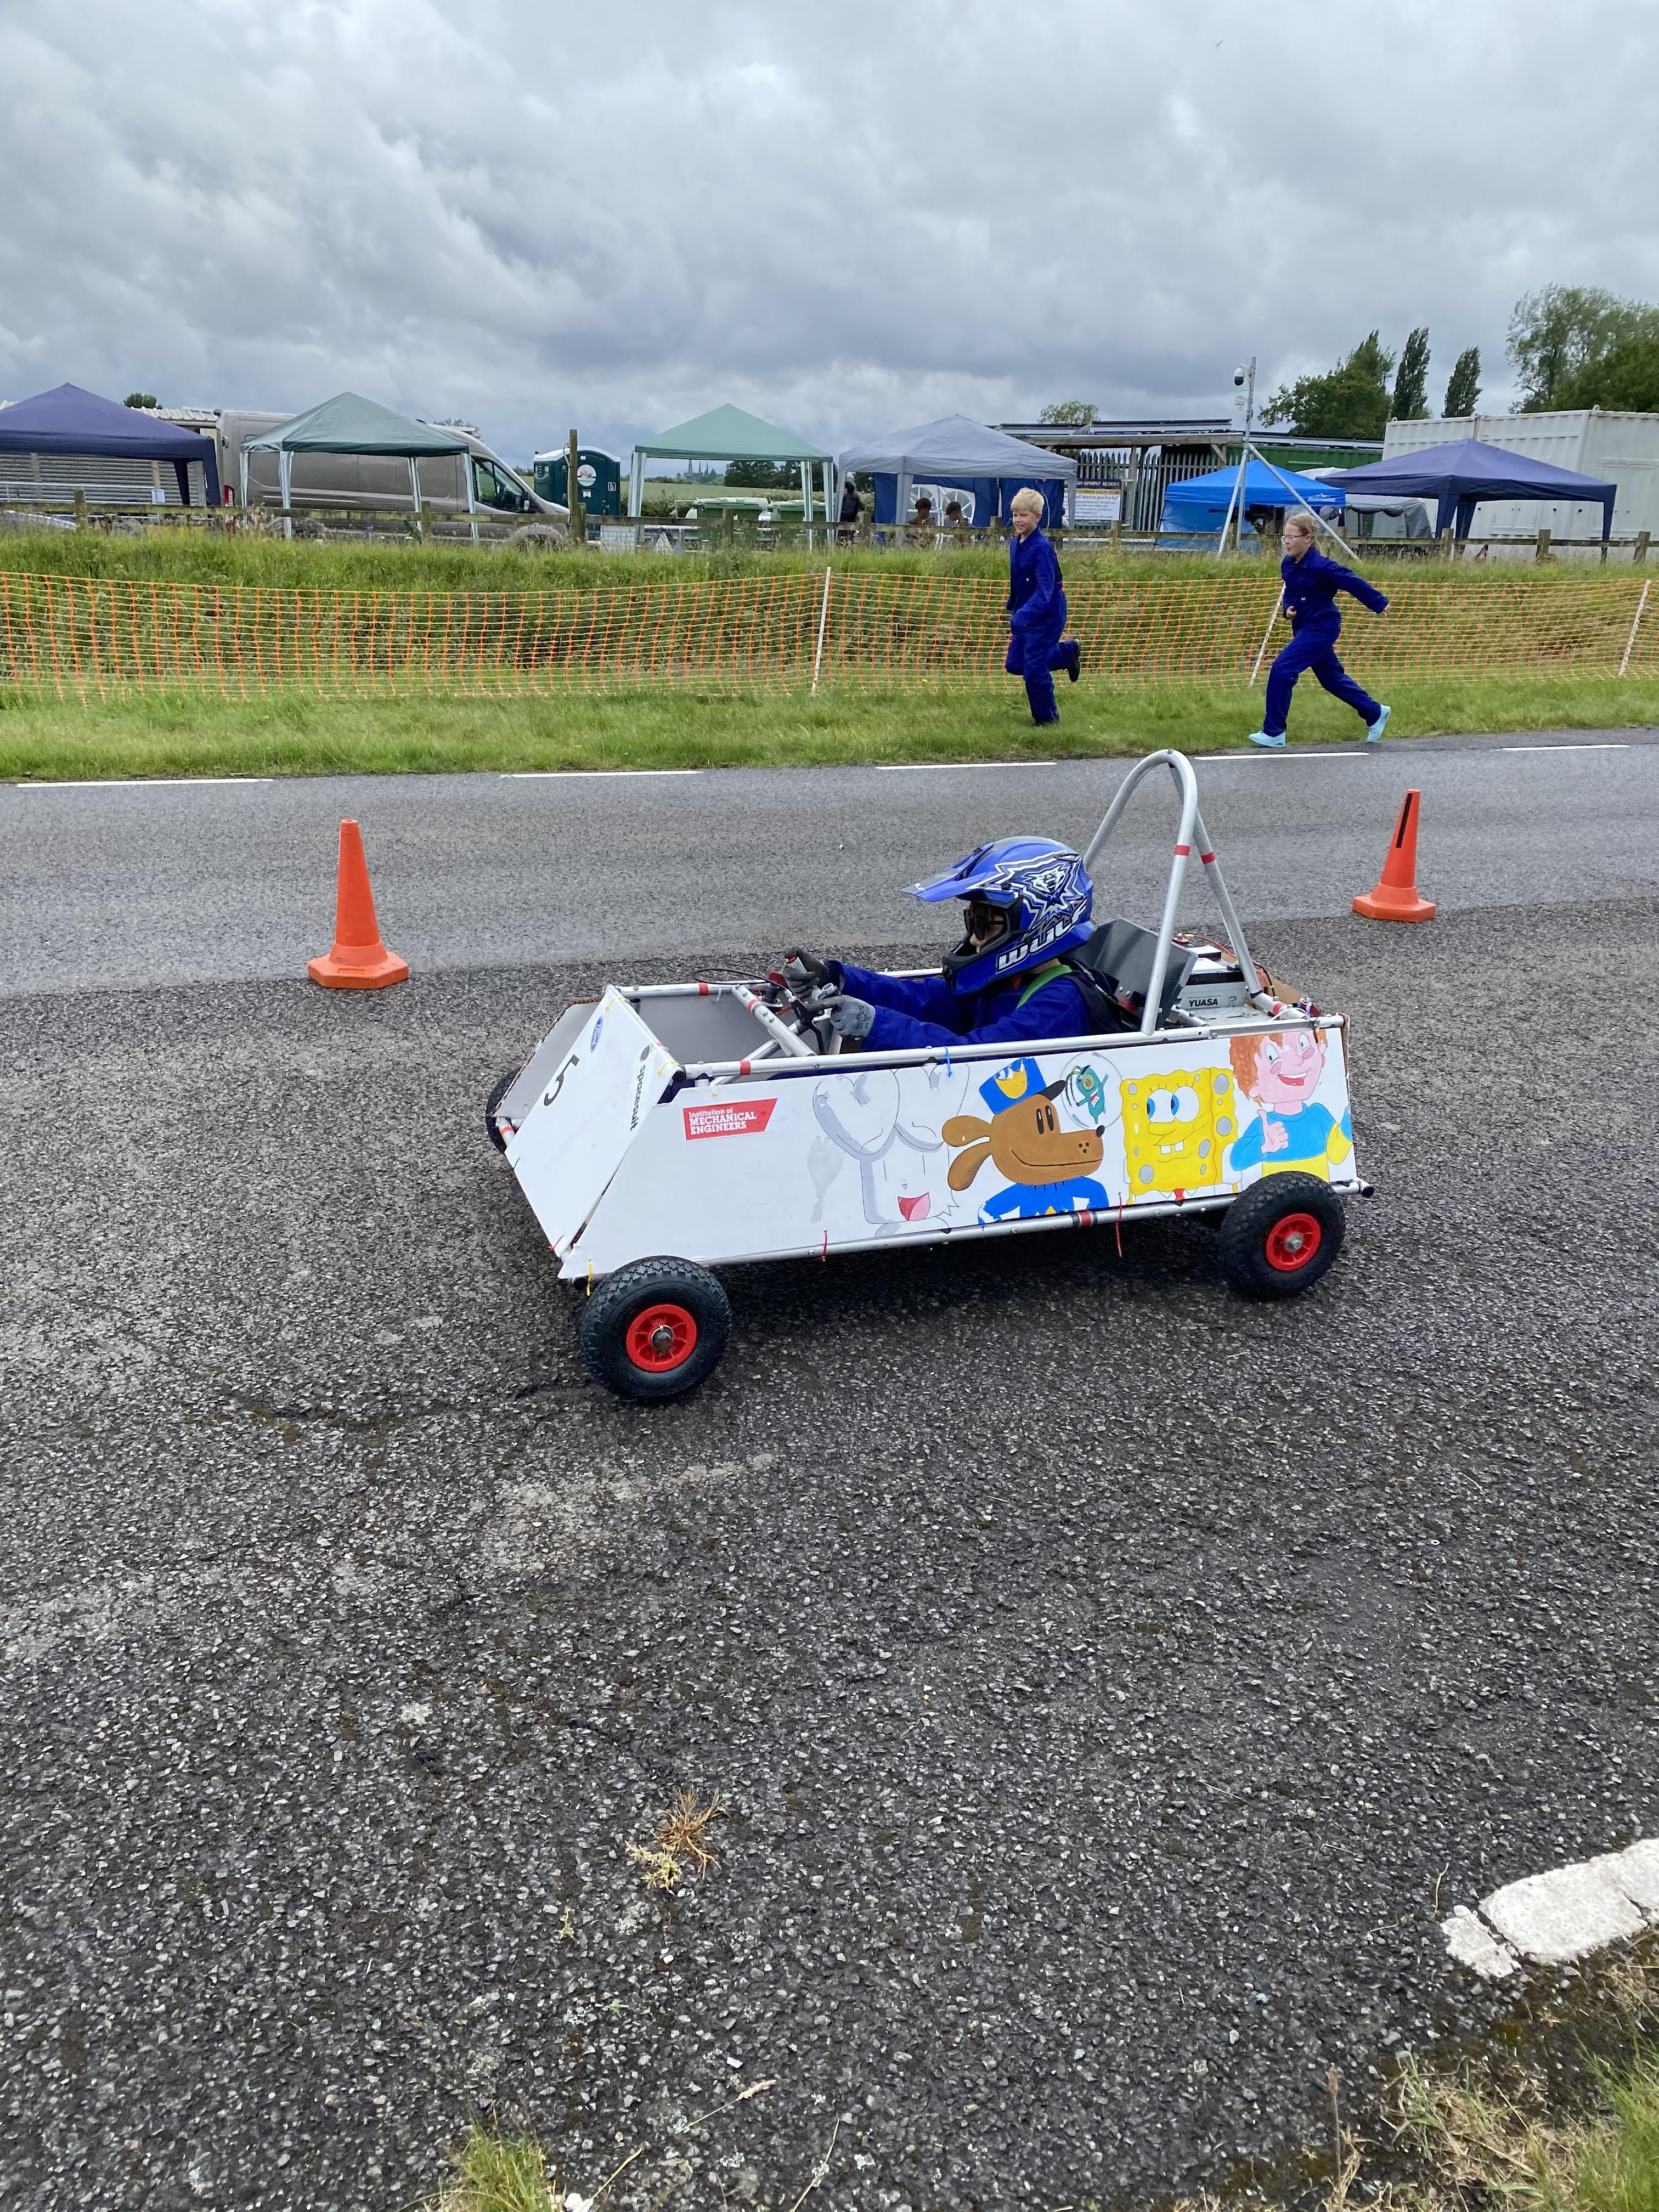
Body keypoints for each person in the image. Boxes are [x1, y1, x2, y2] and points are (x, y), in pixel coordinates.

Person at [776, 838, 1105, 1051]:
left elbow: (977, 1060)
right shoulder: (1010, 981)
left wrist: (875, 1025)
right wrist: (839, 977)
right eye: (972, 922)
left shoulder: (1059, 1005)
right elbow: (925, 1000)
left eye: (985, 926)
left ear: (1038, 925)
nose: (974, 939)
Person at [1246, 510, 1391, 749]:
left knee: (1283, 669)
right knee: (1331, 679)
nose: (1287, 542)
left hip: (1322, 627)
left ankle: (1274, 732)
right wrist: (1287, 610)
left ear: (1308, 538)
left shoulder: (1321, 566)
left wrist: (1378, 602)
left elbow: (1351, 580)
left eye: (1291, 537)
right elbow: (1290, 591)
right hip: (1303, 627)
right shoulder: (1288, 564)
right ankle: (1375, 712)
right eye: (1285, 537)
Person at [1006, 488, 1080, 724]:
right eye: (1015, 515)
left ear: (1037, 517)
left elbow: (1045, 590)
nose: (1018, 520)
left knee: (1035, 670)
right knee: (1015, 664)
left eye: (1024, 515)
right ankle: (1067, 653)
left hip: (1048, 614)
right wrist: (1014, 606)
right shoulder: (1015, 544)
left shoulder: (1042, 548)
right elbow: (1018, 580)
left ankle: (1047, 720)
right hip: (1025, 611)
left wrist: (1024, 616)